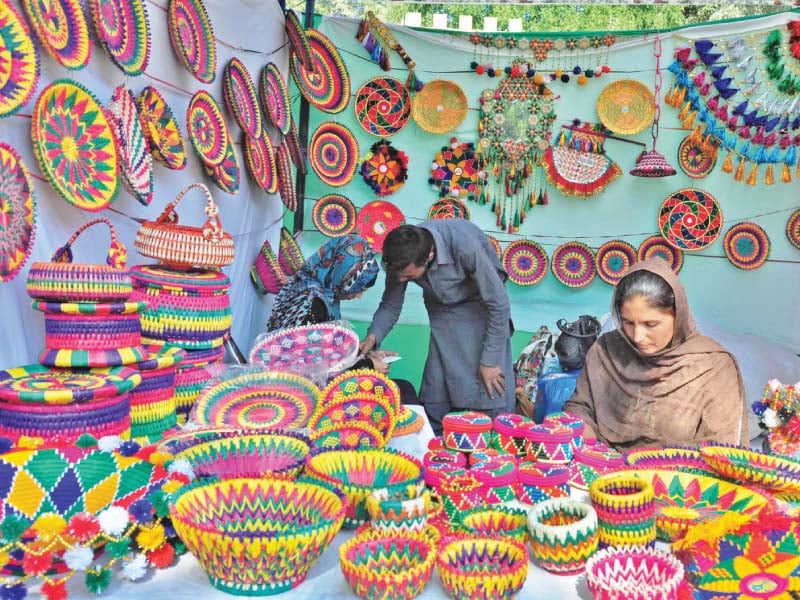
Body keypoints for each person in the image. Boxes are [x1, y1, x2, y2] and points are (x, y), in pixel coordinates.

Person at [563, 256, 749, 450]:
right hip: (599, 468)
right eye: (628, 322)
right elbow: (579, 407)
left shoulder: (713, 366)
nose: (637, 336)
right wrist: (587, 441)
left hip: (676, 476)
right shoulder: (606, 350)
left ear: (678, 315)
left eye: (650, 324)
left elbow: (723, 448)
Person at [359, 220, 516, 435]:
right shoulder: (401, 256)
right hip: (442, 313)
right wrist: (372, 337)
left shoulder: (464, 244)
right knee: (436, 392)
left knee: (489, 389)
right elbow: (391, 304)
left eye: (409, 277)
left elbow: (499, 304)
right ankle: (437, 451)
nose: (401, 280)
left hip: (482, 310)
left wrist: (489, 361)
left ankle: (493, 450)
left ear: (430, 256)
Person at [266, 234, 416, 401]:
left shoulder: (318, 292)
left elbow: (324, 349)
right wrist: (367, 366)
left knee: (403, 389)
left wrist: (361, 353)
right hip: (301, 396)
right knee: (400, 393)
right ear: (341, 273)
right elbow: (312, 367)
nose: (359, 295)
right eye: (357, 287)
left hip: (315, 387)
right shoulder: (310, 304)